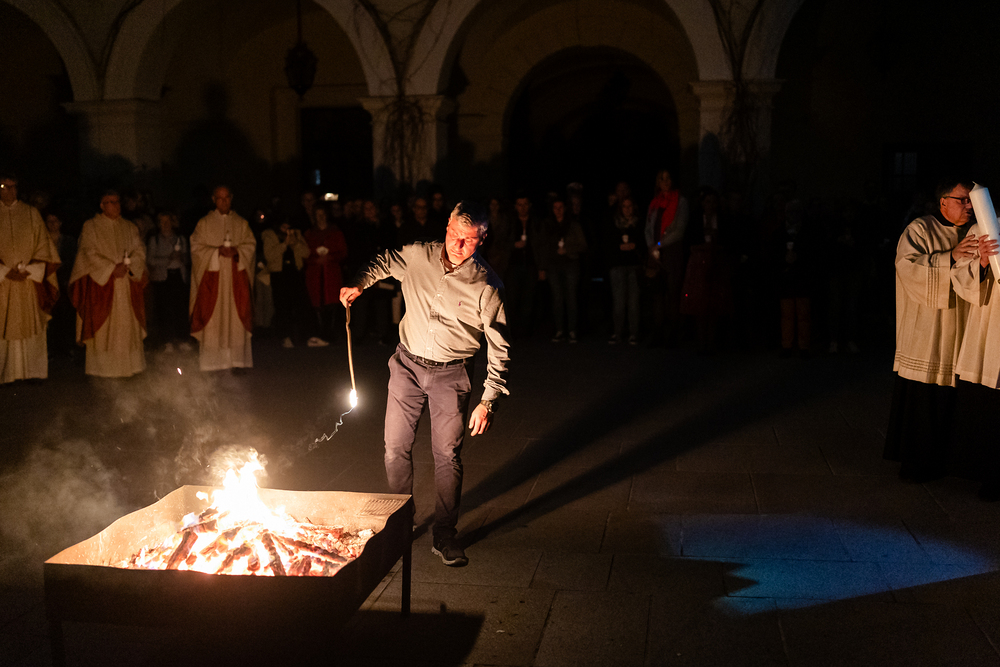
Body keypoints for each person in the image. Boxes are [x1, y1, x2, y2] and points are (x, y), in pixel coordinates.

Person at [340, 201, 510, 567]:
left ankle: (444, 533)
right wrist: (360, 282)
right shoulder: (419, 255)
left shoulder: (486, 285)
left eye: (468, 239)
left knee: (447, 455)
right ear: (447, 225)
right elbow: (385, 261)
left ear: (482, 238)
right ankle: (401, 522)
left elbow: (500, 348)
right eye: (454, 234)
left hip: (452, 373)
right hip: (407, 365)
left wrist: (488, 400)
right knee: (394, 447)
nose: (458, 245)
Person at [884, 179, 977, 483]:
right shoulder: (920, 229)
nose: (969, 206)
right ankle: (916, 463)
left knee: (954, 397)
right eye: (962, 200)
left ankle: (946, 461)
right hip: (926, 327)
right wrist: (950, 257)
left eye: (971, 200)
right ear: (943, 202)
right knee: (923, 398)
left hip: (960, 326)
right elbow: (906, 266)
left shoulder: (975, 232)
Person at [69, 190, 148, 378]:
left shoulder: (129, 227)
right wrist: (111, 269)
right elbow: (87, 252)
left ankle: (130, 367)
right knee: (105, 330)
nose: (116, 205)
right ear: (102, 206)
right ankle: (103, 369)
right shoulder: (91, 226)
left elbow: (139, 250)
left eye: (117, 201)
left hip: (126, 284)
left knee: (127, 326)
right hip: (102, 284)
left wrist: (128, 266)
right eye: (110, 202)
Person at [953, 218, 1000, 499]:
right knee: (990, 408)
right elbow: (960, 275)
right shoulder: (985, 224)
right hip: (990, 328)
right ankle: (991, 477)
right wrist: (981, 262)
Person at [0, 176, 60, 383]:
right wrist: (4, 271)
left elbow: (44, 245)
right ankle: (5, 373)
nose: (10, 191)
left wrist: (32, 269)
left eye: (13, 187)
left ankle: (32, 372)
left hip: (28, 280)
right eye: (4, 187)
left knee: (32, 324)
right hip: (3, 282)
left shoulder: (31, 213)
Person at [189, 186, 255, 371]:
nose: (224, 201)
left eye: (226, 198)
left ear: (231, 198)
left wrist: (237, 251)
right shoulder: (204, 223)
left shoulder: (241, 223)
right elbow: (196, 248)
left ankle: (237, 361)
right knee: (213, 319)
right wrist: (215, 252)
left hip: (235, 281)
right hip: (213, 281)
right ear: (213, 199)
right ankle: (213, 362)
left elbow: (250, 245)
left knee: (236, 319)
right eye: (220, 198)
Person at [645, 169, 689, 346]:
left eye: (668, 178)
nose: (665, 181)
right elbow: (648, 227)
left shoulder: (681, 202)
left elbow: (679, 230)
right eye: (661, 179)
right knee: (657, 293)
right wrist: (651, 245)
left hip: (671, 252)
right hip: (656, 253)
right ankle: (658, 331)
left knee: (672, 293)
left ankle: (673, 332)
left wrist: (660, 244)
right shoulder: (654, 203)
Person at [540, 196, 587, 343]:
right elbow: (543, 246)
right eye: (555, 208)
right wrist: (542, 267)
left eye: (561, 207)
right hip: (553, 265)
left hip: (570, 264)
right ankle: (559, 330)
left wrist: (568, 249)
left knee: (571, 297)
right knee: (557, 298)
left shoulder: (573, 225)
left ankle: (572, 330)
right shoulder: (547, 224)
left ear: (565, 208)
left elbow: (583, 244)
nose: (558, 210)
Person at [147, 211, 191, 351]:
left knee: (180, 308)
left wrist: (181, 257)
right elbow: (150, 260)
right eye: (162, 221)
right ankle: (167, 341)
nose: (165, 224)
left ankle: (182, 338)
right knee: (164, 309)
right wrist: (168, 259)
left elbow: (188, 259)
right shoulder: (155, 240)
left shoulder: (180, 239)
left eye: (168, 221)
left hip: (178, 276)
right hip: (162, 278)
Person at [304, 203, 348, 342]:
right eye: (318, 215)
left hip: (331, 274)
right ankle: (320, 333)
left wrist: (330, 258)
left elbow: (343, 252)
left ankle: (331, 335)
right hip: (315, 274)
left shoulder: (335, 232)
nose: (321, 217)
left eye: (322, 214)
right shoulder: (310, 234)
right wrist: (315, 260)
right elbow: (304, 254)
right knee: (317, 303)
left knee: (332, 303)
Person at [605, 196, 645, 345]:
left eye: (629, 206)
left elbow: (644, 241)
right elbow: (608, 243)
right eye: (624, 206)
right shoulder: (613, 223)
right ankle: (617, 332)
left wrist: (635, 245)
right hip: (618, 266)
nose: (627, 209)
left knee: (634, 301)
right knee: (619, 301)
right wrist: (619, 247)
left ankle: (633, 333)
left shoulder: (639, 223)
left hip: (634, 265)